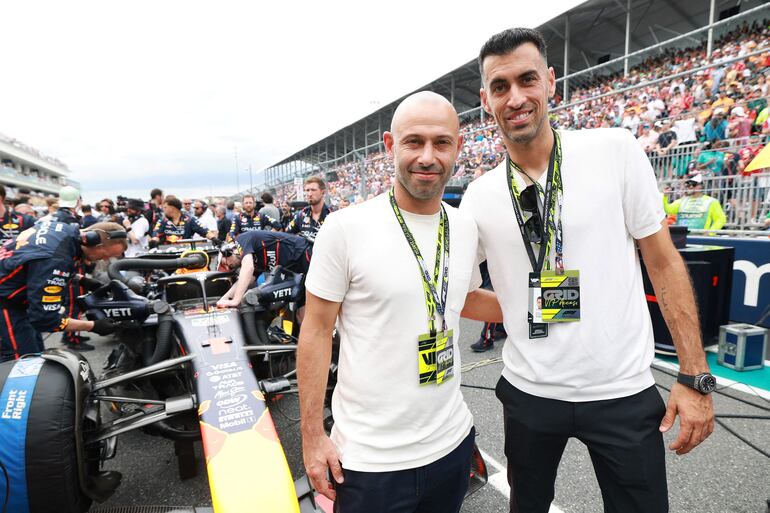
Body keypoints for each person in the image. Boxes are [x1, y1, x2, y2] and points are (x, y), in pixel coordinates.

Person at [461, 28, 714, 513]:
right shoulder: (479, 195)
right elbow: (462, 294)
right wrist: (519, 308)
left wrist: (695, 375)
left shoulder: (614, 150)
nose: (515, 97)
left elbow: (662, 261)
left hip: (622, 391)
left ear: (551, 82)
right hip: (530, 393)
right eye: (500, 86)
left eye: (527, 79)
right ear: (485, 100)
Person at [298, 91, 501, 513]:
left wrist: (543, 307)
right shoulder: (345, 228)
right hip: (372, 463)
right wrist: (312, 435)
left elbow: (459, 300)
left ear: (458, 148)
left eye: (441, 143)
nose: (428, 156)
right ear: (390, 146)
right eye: (414, 142)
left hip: (453, 444)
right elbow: (316, 331)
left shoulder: (464, 227)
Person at [0, 221, 125, 362]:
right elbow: (45, 319)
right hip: (6, 305)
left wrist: (81, 279)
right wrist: (93, 326)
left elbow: (34, 264)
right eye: (105, 255)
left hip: (14, 301)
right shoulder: (57, 258)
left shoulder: (63, 229)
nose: (105, 259)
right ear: (94, 242)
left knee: (35, 354)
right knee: (22, 364)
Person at [216, 230, 313, 309]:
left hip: (305, 253)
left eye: (225, 263)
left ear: (228, 252)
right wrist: (223, 300)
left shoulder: (241, 240)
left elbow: (248, 268)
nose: (229, 266)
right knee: (301, 313)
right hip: (300, 270)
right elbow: (246, 279)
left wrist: (235, 300)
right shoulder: (254, 260)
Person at [151, 195, 217, 245]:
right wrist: (153, 241)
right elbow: (156, 234)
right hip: (167, 254)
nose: (163, 210)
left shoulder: (189, 220)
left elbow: (205, 231)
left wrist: (214, 239)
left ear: (172, 208)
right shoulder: (162, 220)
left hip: (185, 254)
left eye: (165, 207)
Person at [287, 177, 331, 243]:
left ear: (323, 192)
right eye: (307, 190)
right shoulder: (301, 215)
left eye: (313, 190)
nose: (309, 194)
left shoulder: (332, 214)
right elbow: (287, 235)